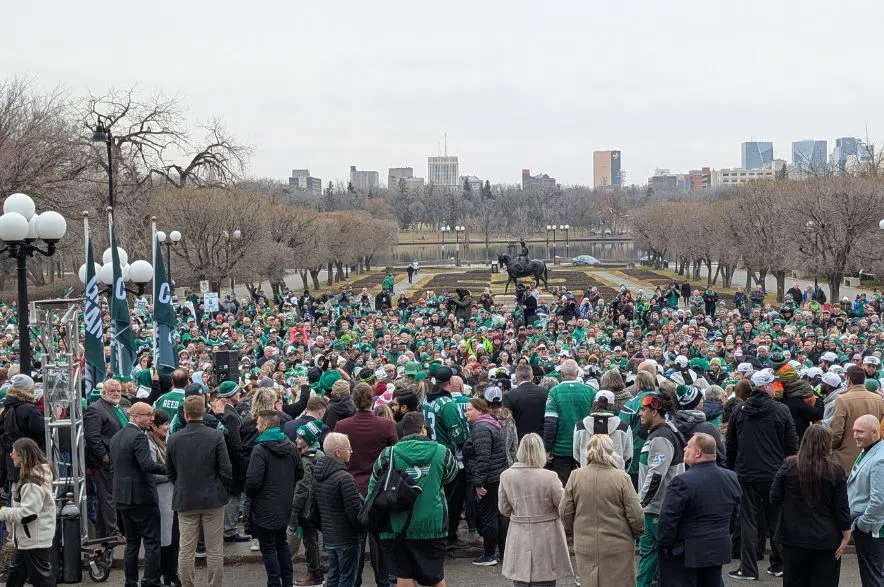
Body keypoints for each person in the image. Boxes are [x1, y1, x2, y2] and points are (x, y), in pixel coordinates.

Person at [367, 412, 458, 587]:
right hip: (432, 523)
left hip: (397, 523)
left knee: (404, 575)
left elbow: (374, 485)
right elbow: (451, 475)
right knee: (435, 577)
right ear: (423, 429)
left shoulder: (388, 454)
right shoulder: (441, 451)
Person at [726, 370, 799, 581]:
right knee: (776, 518)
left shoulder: (740, 410)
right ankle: (779, 564)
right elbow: (792, 445)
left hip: (746, 473)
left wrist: (733, 469)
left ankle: (748, 568)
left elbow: (731, 445)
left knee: (748, 521)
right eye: (773, 385)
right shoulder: (781, 410)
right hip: (774, 473)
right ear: (766, 387)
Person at [333, 382, 398, 587]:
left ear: (354, 400)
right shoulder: (386, 425)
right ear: (372, 400)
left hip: (350, 487)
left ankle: (355, 581)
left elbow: (336, 458)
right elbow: (394, 457)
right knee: (379, 539)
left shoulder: (342, 426)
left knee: (354, 539)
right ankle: (383, 581)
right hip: (378, 488)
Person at [770, 425, 851, 587]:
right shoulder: (835, 470)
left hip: (793, 536)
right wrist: (846, 534)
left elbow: (774, 498)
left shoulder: (789, 465)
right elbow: (841, 507)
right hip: (826, 538)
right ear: (826, 444)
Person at [657, 433, 741, 586]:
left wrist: (664, 546)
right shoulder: (731, 478)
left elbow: (668, 519)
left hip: (686, 553)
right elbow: (734, 515)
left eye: (688, 446)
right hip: (717, 548)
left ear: (698, 453)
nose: (684, 449)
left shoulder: (682, 481)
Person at [559, 434, 643, 587]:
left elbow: (565, 512)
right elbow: (636, 515)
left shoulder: (575, 476)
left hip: (586, 544)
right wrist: (635, 533)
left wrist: (575, 530)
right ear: (611, 452)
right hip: (618, 545)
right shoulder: (622, 478)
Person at [166, 395, 232, 587]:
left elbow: (169, 471)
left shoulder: (174, 439)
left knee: (186, 549)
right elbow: (226, 470)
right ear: (203, 412)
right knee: (214, 549)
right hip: (213, 499)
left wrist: (181, 484)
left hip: (186, 499)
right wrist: (221, 488)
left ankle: (187, 584)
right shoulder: (216, 436)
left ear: (185, 414)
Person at [498, 433, 573, 586]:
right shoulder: (550, 477)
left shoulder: (506, 476)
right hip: (546, 536)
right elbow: (564, 507)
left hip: (519, 535)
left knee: (520, 581)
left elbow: (504, 509)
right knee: (545, 580)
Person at [110, 401, 168, 587]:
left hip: (122, 497)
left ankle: (130, 581)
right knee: (152, 541)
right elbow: (147, 466)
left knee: (132, 543)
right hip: (142, 497)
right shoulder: (139, 437)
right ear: (134, 416)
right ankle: (151, 580)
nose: (152, 418)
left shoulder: (117, 437)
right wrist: (170, 468)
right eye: (148, 415)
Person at [245, 410, 303, 587]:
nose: (256, 427)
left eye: (258, 424)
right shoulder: (291, 446)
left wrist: (251, 495)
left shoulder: (260, 449)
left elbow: (253, 481)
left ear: (264, 425)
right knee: (282, 544)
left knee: (268, 547)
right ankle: (287, 582)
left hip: (264, 506)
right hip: (284, 504)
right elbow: (299, 472)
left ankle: (274, 582)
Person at [636, 391, 685, 587]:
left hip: (658, 508)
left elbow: (656, 475)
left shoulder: (662, 436)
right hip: (656, 507)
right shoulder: (665, 431)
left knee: (658, 555)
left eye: (643, 410)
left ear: (655, 412)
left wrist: (640, 503)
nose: (640, 414)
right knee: (651, 554)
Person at [423, 366, 469, 548]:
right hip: (448, 457)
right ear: (450, 381)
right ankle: (449, 535)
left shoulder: (427, 400)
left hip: (432, 453)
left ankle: (439, 533)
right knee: (453, 498)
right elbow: (458, 435)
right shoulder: (447, 404)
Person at [0, 438, 56, 587]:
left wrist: (4, 512)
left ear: (23, 456)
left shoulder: (31, 482)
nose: (11, 455)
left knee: (42, 580)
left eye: (14, 452)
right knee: (16, 578)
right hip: (30, 539)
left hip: (32, 540)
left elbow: (28, 514)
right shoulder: (37, 477)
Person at [313, 432, 364, 587]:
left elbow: (314, 507)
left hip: (330, 536)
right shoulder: (344, 478)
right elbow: (354, 512)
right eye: (348, 448)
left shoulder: (318, 475)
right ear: (338, 452)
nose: (351, 451)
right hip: (347, 537)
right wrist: (361, 530)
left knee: (333, 576)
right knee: (347, 578)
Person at [463, 398, 509, 566]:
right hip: (496, 476)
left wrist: (479, 483)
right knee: (499, 515)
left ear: (480, 411)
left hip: (488, 479)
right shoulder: (490, 425)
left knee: (490, 517)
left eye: (470, 409)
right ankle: (503, 552)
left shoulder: (481, 428)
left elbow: (483, 458)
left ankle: (490, 554)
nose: (467, 412)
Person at [83, 378, 127, 539]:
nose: (116, 394)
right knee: (109, 497)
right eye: (112, 391)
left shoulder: (117, 407)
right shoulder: (96, 409)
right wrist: (104, 455)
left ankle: (103, 532)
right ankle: (113, 532)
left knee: (106, 497)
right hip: (104, 461)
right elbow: (92, 436)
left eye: (118, 391)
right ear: (104, 392)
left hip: (117, 458)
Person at [543, 359, 596, 485]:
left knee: (564, 489)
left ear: (561, 374)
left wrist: (547, 448)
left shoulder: (554, 392)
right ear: (577, 373)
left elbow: (550, 423)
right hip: (585, 448)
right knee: (584, 487)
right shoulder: (591, 391)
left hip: (561, 450)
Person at [847, 414, 884, 587]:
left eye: (860, 431)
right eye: (854, 431)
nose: (855, 435)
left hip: (871, 530)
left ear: (875, 432)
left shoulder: (880, 460)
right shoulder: (868, 449)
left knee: (872, 578)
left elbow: (879, 500)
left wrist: (863, 524)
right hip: (866, 527)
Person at [213, 381, 251, 544]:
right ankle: (229, 530)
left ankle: (228, 528)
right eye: (237, 393)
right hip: (233, 462)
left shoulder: (228, 412)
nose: (239, 395)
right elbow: (235, 442)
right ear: (230, 396)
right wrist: (242, 461)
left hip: (228, 460)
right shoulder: (230, 415)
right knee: (234, 497)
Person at [290, 422, 326, 587]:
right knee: (313, 541)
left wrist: (294, 509)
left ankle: (315, 575)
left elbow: (302, 488)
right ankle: (316, 572)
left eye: (300, 437)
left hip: (306, 508)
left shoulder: (306, 460)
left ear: (308, 440)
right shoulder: (320, 455)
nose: (297, 440)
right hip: (317, 506)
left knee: (309, 542)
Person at [831, 365, 884, 474]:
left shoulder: (842, 399)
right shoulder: (878, 399)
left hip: (846, 457)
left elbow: (836, 432)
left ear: (849, 379)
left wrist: (830, 448)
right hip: (872, 455)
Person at [147, 410, 179, 587]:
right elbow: (150, 474)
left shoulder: (166, 441)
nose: (168, 427)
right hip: (160, 497)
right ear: (154, 426)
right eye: (165, 425)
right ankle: (165, 574)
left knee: (172, 537)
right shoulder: (149, 444)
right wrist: (172, 475)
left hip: (170, 496)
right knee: (164, 538)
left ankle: (171, 573)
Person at [572, 389, 632, 470]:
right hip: (615, 477)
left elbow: (576, 456)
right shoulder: (623, 427)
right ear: (612, 405)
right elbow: (628, 457)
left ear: (595, 404)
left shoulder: (580, 426)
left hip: (587, 475)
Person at [502, 364, 548, 439]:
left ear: (516, 378)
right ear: (532, 377)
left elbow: (506, 424)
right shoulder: (545, 392)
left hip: (520, 441)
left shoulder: (509, 396)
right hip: (541, 441)